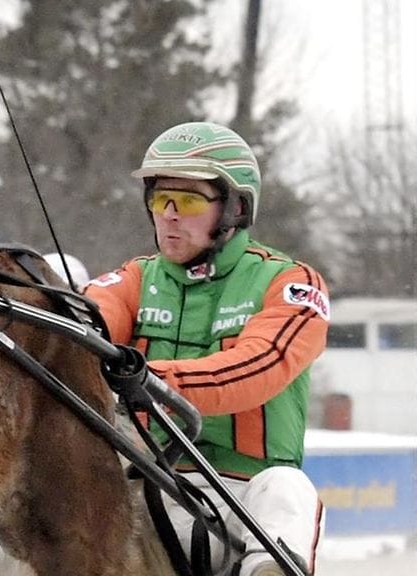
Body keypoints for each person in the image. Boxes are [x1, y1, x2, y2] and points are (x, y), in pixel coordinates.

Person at [84, 122, 327, 576]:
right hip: (145, 492)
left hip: (242, 501)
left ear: (236, 207)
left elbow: (260, 367)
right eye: (160, 199)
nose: (169, 215)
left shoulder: (290, 283)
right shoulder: (133, 279)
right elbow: (82, 325)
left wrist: (151, 381)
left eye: (189, 200)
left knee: (288, 488)